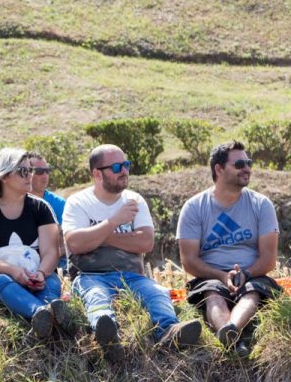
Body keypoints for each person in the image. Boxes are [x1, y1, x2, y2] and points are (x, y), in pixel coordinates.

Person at [62, 144, 201, 361]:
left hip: (132, 276)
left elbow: (145, 242)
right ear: (97, 174)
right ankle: (108, 337)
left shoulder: (134, 201)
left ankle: (169, 332)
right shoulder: (78, 202)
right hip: (91, 276)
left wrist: (99, 236)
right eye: (117, 167)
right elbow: (75, 244)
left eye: (126, 165)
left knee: (157, 293)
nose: (124, 171)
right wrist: (114, 221)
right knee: (96, 297)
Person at [177, 141, 281, 358]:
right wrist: (221, 276)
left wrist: (246, 274)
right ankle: (234, 339)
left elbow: (269, 258)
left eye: (248, 163)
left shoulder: (261, 205)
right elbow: (189, 261)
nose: (247, 168)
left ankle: (231, 331)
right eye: (239, 164)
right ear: (219, 169)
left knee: (252, 291)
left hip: (252, 274)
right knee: (212, 292)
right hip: (211, 276)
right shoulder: (194, 207)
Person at [0, 148, 71, 338]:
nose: (29, 175)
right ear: (4, 176)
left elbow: (50, 253)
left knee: (51, 281)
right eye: (23, 171)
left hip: (36, 273)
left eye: (30, 170)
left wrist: (41, 273)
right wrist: (14, 271)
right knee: (0, 280)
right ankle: (40, 312)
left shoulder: (42, 208)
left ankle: (47, 317)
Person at [29, 152, 67, 271]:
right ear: (27, 172)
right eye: (39, 171)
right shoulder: (15, 203)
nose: (45, 175)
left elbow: (66, 242)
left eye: (47, 170)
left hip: (57, 261)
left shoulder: (59, 203)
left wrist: (46, 259)